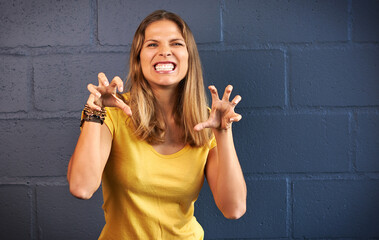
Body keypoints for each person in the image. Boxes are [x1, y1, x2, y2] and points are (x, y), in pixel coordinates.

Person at [67, 10, 246, 240]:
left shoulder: (208, 121)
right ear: (138, 58)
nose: (164, 51)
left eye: (176, 43)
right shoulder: (110, 112)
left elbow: (234, 209)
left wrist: (223, 132)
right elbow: (81, 187)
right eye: (152, 44)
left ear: (188, 56)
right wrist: (94, 112)